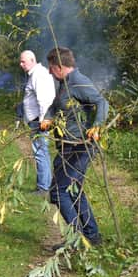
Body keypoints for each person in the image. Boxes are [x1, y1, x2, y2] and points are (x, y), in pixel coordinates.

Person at [41, 47, 108, 247]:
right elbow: (55, 105)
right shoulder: (64, 84)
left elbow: (101, 101)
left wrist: (97, 126)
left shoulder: (78, 82)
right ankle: (92, 236)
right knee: (73, 190)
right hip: (67, 145)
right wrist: (48, 118)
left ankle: (76, 239)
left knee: (58, 191)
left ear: (60, 67)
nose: (50, 72)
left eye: (52, 68)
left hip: (79, 146)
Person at [19, 50, 55, 194]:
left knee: (40, 153)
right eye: (20, 61)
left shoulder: (38, 75)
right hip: (37, 120)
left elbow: (44, 99)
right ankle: (46, 184)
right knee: (42, 153)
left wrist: (43, 120)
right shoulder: (36, 73)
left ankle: (43, 188)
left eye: (23, 61)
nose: (21, 64)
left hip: (39, 122)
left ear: (32, 60)